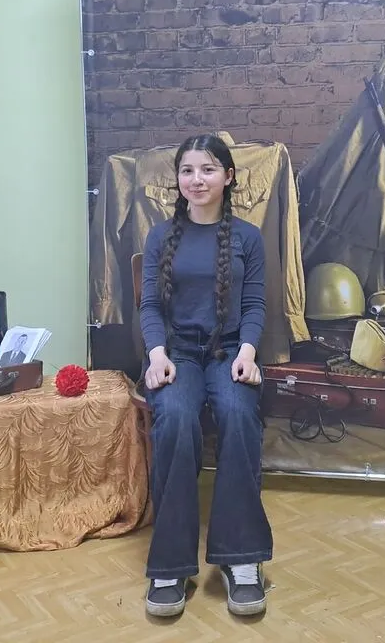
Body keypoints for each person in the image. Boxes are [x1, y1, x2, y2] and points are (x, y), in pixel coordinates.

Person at [138, 133, 272, 618]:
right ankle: (171, 565)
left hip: (230, 351)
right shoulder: (160, 237)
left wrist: (249, 353)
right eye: (188, 170)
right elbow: (150, 306)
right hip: (177, 354)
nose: (197, 179)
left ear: (228, 177)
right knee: (175, 419)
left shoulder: (248, 238)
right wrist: (156, 355)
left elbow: (254, 304)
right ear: (178, 179)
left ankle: (241, 559)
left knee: (238, 414)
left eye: (208, 169)